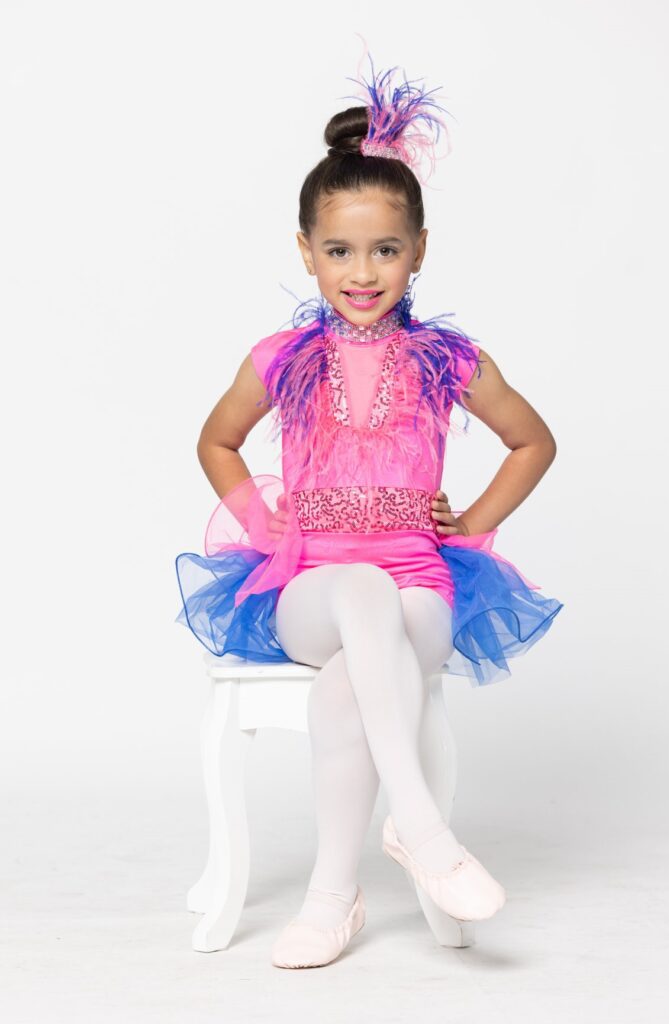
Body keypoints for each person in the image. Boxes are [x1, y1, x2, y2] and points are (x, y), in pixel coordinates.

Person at [174, 46, 563, 969]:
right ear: (304, 250)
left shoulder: (448, 362)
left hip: (422, 589)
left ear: (418, 251)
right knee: (353, 589)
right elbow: (215, 440)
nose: (362, 271)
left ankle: (331, 900)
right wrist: (268, 530)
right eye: (339, 250)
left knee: (361, 672)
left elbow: (533, 439)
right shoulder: (277, 355)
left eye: (384, 249)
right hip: (309, 588)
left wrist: (468, 520)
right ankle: (423, 830)